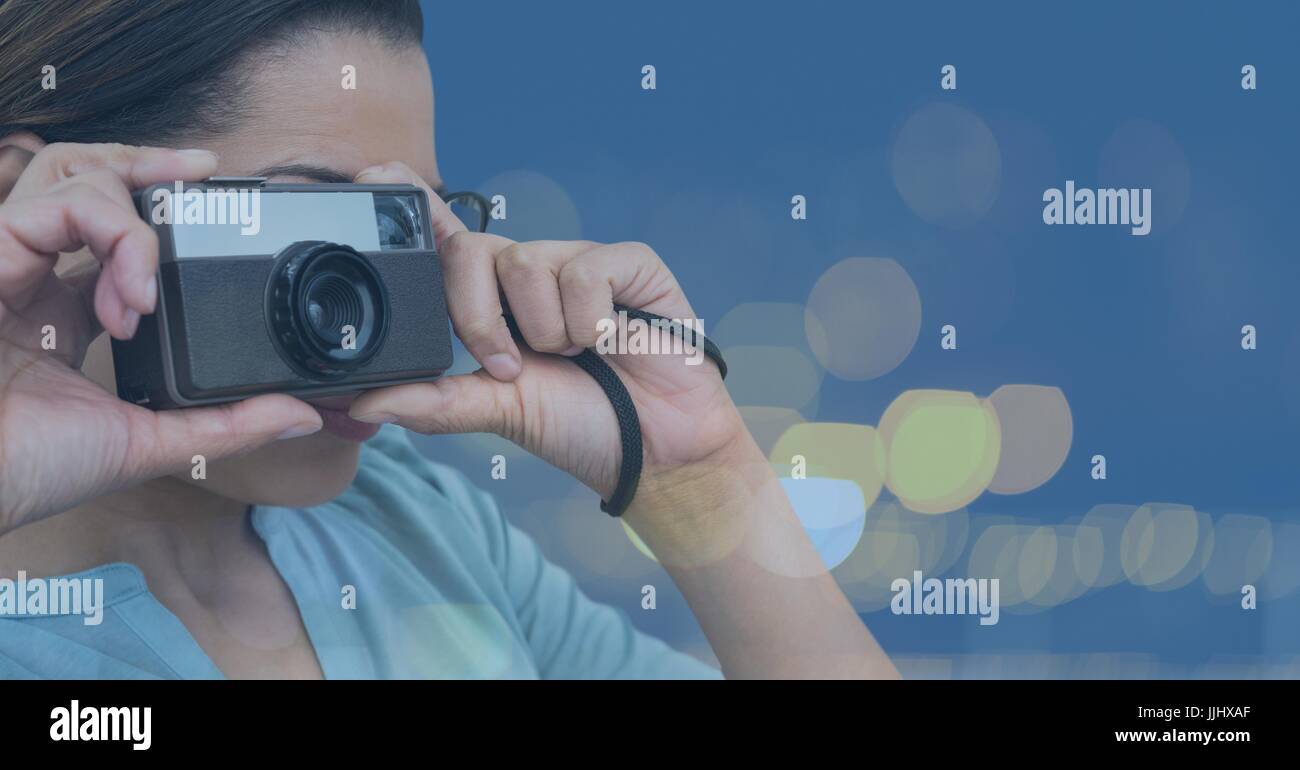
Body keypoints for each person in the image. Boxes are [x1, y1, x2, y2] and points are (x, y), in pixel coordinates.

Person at [0, 0, 897, 679]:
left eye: (398, 223)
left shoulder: (415, 523)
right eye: (312, 214)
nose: (364, 309)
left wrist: (695, 475)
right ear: (41, 206)